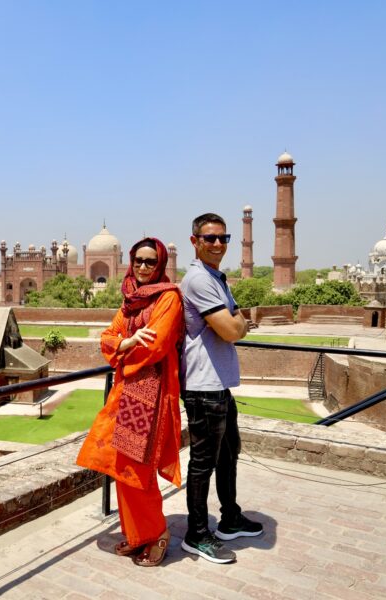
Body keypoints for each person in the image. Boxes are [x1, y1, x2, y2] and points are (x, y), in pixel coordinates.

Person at [77, 237, 183, 567]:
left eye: (150, 262)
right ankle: (138, 535)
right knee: (123, 467)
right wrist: (126, 342)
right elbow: (107, 338)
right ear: (129, 261)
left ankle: (158, 534)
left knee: (138, 469)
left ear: (161, 264)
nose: (143, 266)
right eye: (138, 260)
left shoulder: (168, 298)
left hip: (150, 396)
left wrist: (124, 347)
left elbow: (156, 345)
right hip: (125, 394)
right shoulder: (130, 301)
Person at [179, 213, 263, 564]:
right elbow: (232, 329)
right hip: (202, 386)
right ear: (194, 241)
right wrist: (238, 323)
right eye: (210, 238)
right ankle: (197, 534)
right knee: (203, 463)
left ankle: (230, 518)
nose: (217, 244)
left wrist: (236, 322)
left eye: (223, 238)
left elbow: (237, 320)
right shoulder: (198, 279)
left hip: (220, 385)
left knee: (229, 455)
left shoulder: (218, 278)